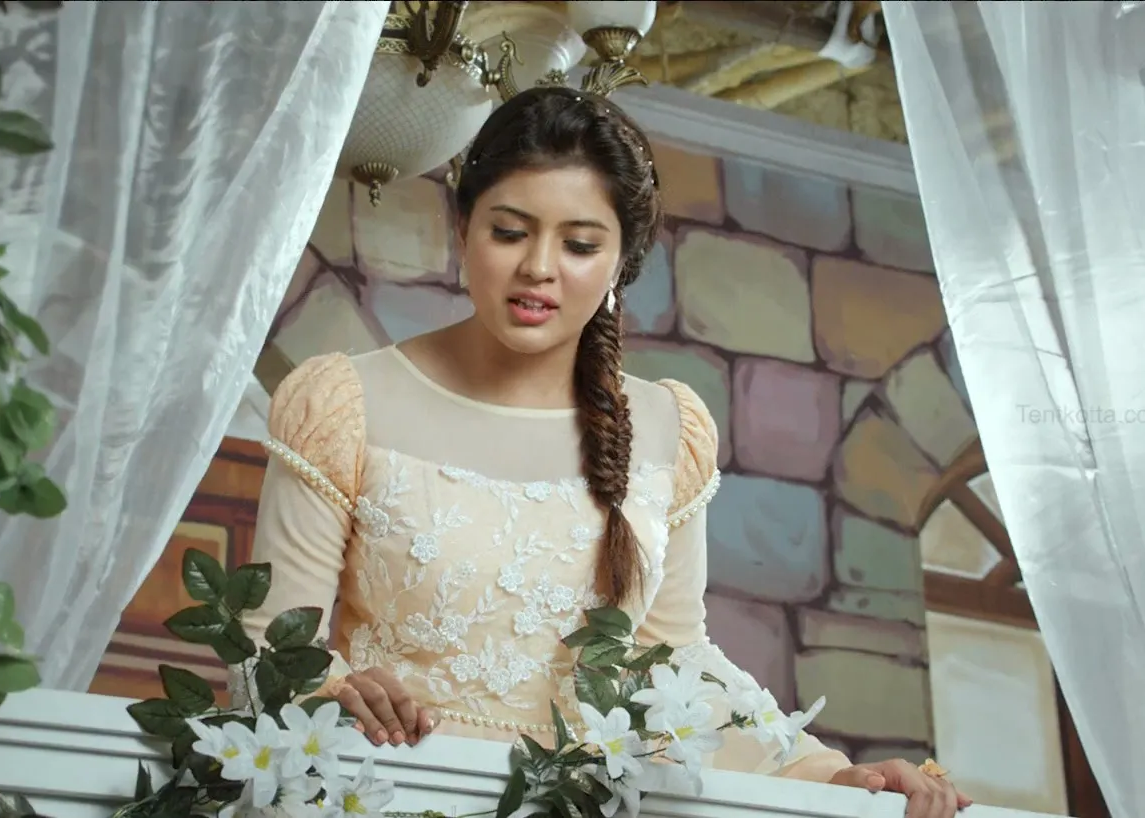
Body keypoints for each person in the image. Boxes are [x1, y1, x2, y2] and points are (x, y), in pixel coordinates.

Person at [244, 86, 969, 818]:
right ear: (463, 228)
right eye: (510, 232)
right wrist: (334, 691)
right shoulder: (343, 403)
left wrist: (823, 776)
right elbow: (265, 651)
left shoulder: (666, 427)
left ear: (622, 263)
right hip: (392, 795)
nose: (539, 267)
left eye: (581, 245)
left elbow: (675, 664)